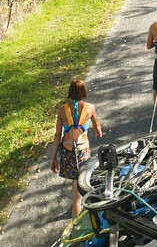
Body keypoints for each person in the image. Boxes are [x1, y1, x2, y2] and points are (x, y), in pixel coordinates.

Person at [51, 78, 102, 218]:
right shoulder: (90, 108)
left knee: (76, 187)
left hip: (67, 153)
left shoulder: (62, 110)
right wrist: (98, 133)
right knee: (77, 194)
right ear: (83, 91)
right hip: (82, 151)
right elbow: (97, 127)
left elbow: (57, 135)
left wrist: (53, 158)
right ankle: (77, 223)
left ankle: (77, 208)